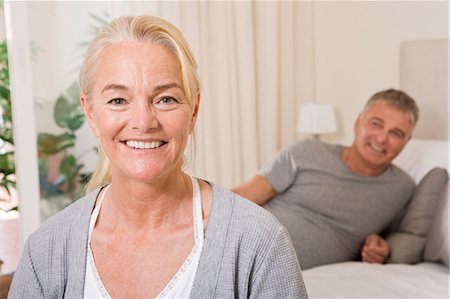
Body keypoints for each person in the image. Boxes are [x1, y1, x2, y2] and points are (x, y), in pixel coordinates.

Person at [9, 15, 308, 298]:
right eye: (118, 100)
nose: (144, 121)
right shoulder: (46, 250)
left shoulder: (259, 242)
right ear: (90, 112)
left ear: (193, 111)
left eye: (165, 99)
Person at [233, 89, 419, 270]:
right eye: (376, 124)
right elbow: (241, 199)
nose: (381, 138)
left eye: (396, 133)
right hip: (241, 244)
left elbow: (402, 237)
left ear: (407, 142)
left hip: (274, 270)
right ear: (357, 123)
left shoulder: (402, 189)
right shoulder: (306, 151)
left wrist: (384, 249)